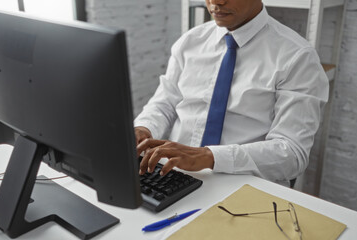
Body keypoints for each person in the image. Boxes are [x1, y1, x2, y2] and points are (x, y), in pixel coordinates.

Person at [134, 0, 329, 186]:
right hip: (173, 175)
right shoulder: (189, 42)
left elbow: (292, 154)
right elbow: (164, 103)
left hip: (246, 186)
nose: (216, 2)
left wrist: (208, 157)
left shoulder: (297, 57)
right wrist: (145, 129)